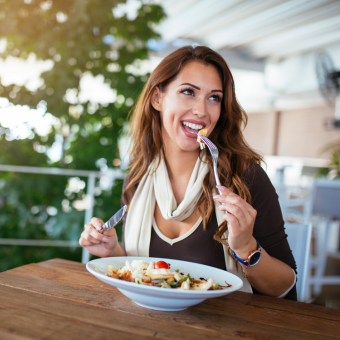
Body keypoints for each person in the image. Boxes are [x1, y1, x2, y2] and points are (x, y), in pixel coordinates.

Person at [79, 45, 297, 300]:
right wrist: (113, 253)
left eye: (214, 97)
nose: (202, 111)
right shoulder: (137, 181)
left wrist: (248, 247)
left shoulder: (245, 177)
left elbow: (286, 288)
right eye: (188, 92)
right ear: (157, 98)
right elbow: (144, 275)